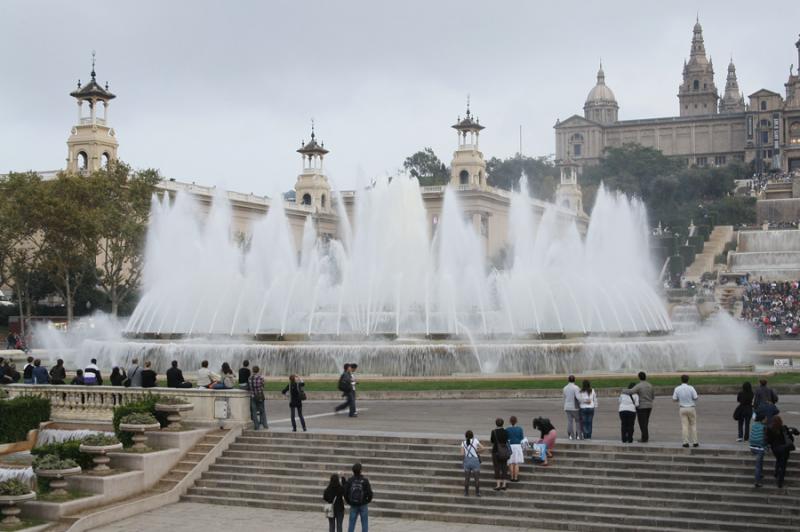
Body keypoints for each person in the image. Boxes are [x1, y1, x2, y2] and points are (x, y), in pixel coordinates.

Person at [766, 415, 799, 488]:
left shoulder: (770, 429)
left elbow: (768, 440)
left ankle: (776, 472)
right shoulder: (784, 428)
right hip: (784, 449)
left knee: (778, 459)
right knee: (783, 465)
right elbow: (789, 438)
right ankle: (780, 482)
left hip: (775, 449)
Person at [624, 371, 654, 443]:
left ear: (639, 377)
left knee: (642, 423)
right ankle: (644, 436)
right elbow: (653, 396)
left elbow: (631, 391)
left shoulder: (639, 385)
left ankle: (644, 438)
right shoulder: (650, 385)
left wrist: (623, 390)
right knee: (646, 422)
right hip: (649, 406)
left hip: (642, 406)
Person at [344, 463, 373, 532]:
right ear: (360, 470)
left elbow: (345, 493)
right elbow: (370, 493)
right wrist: (367, 501)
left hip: (353, 504)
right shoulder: (365, 481)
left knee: (351, 523)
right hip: (363, 504)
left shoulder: (350, 480)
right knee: (364, 523)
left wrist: (349, 501)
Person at [672, 374, 699, 448]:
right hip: (691, 407)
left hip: (682, 408)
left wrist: (680, 399)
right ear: (688, 380)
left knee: (684, 426)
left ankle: (685, 442)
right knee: (693, 425)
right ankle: (695, 442)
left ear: (681, 380)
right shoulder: (691, 388)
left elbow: (674, 399)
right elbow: (696, 397)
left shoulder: (677, 388)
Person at [461, 429, 482, 497]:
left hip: (467, 460)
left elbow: (462, 454)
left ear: (465, 436)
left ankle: (466, 492)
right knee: (476, 478)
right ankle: (477, 493)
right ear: (472, 435)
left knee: (467, 478)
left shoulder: (463, 443)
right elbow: (483, 448)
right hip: (475, 460)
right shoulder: (475, 440)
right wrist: (477, 451)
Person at [490, 418, 509, 491]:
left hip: (496, 451)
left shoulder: (493, 431)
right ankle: (504, 484)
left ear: (496, 423)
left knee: (497, 468)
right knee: (504, 467)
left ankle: (498, 485)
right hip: (504, 451)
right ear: (503, 424)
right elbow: (507, 439)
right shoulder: (506, 431)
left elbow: (492, 440)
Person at [749, 411, 767, 488]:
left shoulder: (753, 425)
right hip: (759, 448)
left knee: (760, 461)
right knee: (758, 466)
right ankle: (757, 481)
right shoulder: (764, 427)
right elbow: (765, 438)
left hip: (752, 447)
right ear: (762, 419)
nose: (766, 419)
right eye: (765, 418)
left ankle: (761, 474)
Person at [248, 366, 267, 430]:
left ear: (253, 370)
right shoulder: (261, 377)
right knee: (262, 411)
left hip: (252, 396)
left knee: (254, 412)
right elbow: (263, 386)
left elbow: (249, 387)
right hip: (259, 396)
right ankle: (265, 425)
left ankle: (256, 426)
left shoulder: (250, 378)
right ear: (258, 370)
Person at [562, 374, 582, 440]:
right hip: (574, 407)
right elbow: (578, 397)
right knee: (577, 421)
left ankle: (571, 435)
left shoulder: (565, 388)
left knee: (569, 421)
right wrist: (582, 401)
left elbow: (564, 398)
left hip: (567, 406)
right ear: (574, 380)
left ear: (568, 380)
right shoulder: (576, 388)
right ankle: (578, 435)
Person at [505, 416, 524, 482]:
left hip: (510, 446)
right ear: (516, 421)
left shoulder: (507, 429)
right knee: (516, 463)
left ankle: (511, 477)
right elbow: (522, 438)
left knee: (511, 463)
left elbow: (506, 438)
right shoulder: (520, 429)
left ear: (510, 421)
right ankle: (516, 478)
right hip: (517, 446)